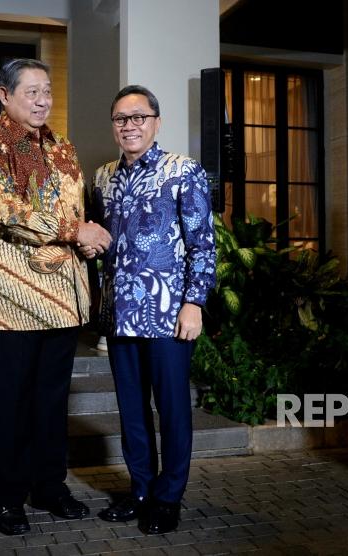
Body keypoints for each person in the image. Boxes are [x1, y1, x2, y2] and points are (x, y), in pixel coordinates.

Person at [0, 58, 112, 536]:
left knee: (51, 400)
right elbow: (3, 210)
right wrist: (75, 230)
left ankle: (50, 486)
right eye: (31, 91)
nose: (43, 99)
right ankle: (7, 497)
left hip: (62, 294)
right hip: (9, 296)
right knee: (9, 401)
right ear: (5, 96)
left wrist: (85, 238)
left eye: (47, 90)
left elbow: (76, 206)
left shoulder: (62, 146)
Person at [86, 85, 216, 535]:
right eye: (122, 118)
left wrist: (194, 302)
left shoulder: (184, 171)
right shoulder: (102, 177)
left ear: (156, 122)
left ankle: (168, 496)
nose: (130, 126)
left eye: (139, 117)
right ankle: (141, 488)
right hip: (122, 315)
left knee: (173, 409)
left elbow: (203, 244)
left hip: (168, 315)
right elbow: (101, 243)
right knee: (132, 410)